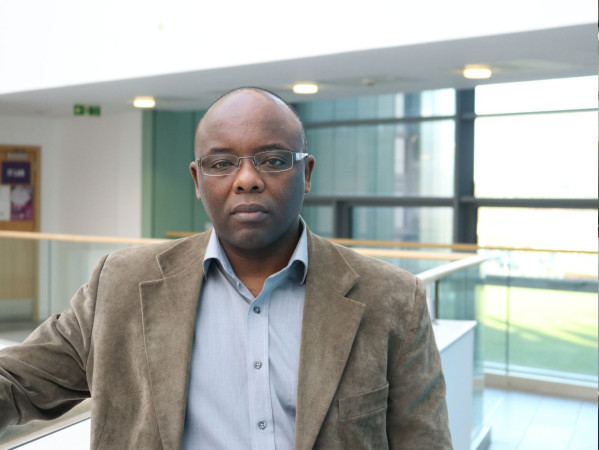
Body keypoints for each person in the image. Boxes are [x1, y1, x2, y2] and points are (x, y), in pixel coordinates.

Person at [0, 87, 452, 449]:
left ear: (306, 172)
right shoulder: (120, 284)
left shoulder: (392, 299)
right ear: (198, 180)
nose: (247, 178)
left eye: (273, 160)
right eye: (222, 163)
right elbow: (16, 383)